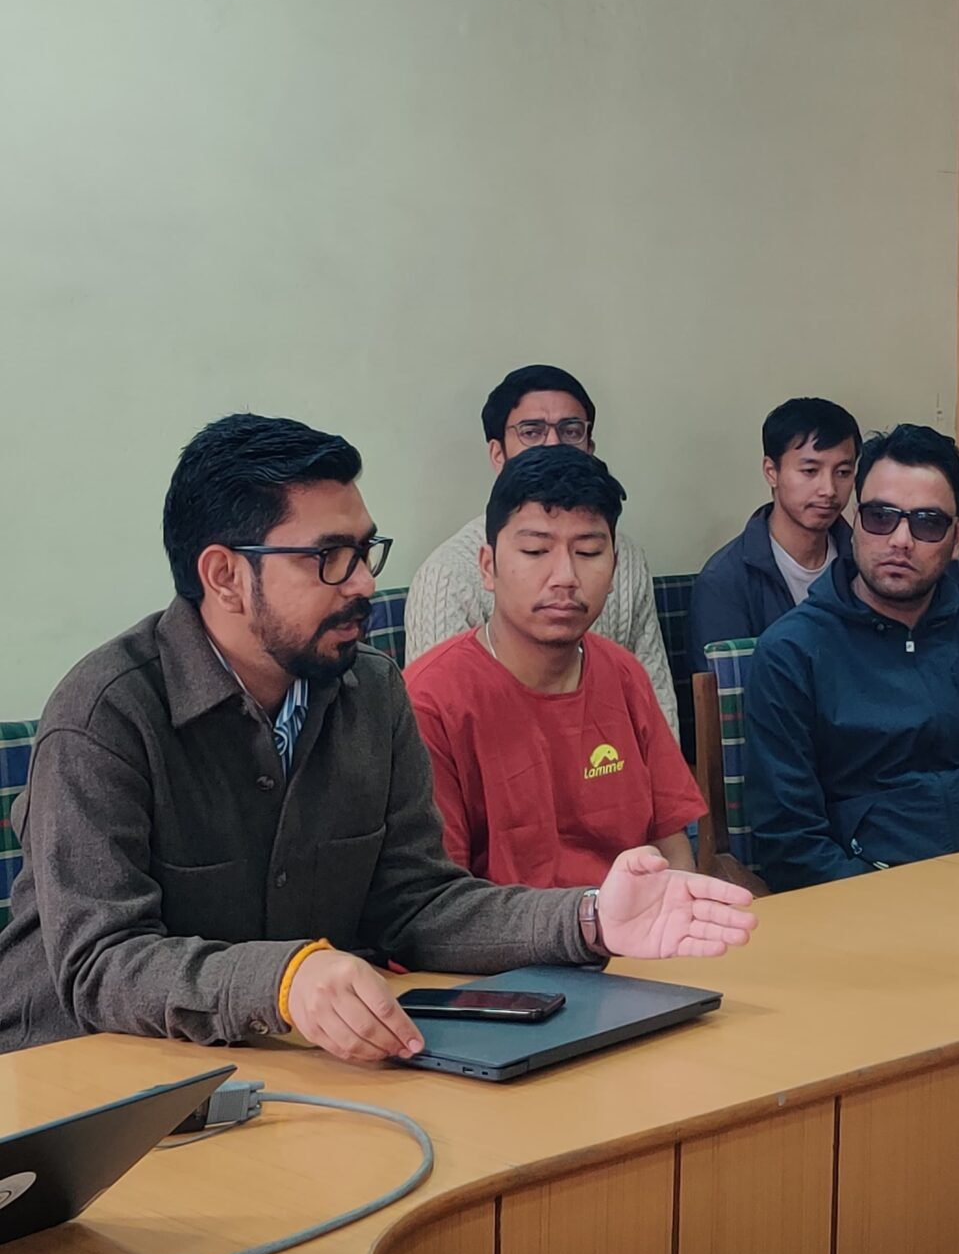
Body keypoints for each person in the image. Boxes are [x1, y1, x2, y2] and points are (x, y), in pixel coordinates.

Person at [0, 415, 755, 1064]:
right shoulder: (107, 714)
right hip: (84, 1079)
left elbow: (417, 904)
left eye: (366, 552)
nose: (363, 583)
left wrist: (588, 919)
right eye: (329, 558)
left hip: (275, 1072)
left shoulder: (371, 692)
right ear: (225, 575)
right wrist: (284, 980)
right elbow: (102, 962)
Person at [744, 424, 959, 891]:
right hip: (868, 901)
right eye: (881, 517)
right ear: (856, 521)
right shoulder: (791, 653)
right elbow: (790, 841)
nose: (900, 540)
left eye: (927, 523)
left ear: (956, 536)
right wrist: (887, 906)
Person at [407, 447, 704, 888]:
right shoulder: (430, 700)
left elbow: (671, 843)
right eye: (535, 550)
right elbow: (439, 898)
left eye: (588, 551)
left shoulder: (624, 674)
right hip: (502, 932)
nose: (565, 576)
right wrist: (586, 921)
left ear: (614, 567)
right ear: (488, 567)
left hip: (640, 926)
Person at [406, 364, 676, 735]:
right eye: (531, 431)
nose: (553, 445)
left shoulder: (625, 557)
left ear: (590, 448)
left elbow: (657, 709)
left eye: (571, 431)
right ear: (497, 453)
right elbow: (442, 719)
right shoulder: (447, 574)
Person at [688, 396, 861, 670]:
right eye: (810, 470)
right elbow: (730, 689)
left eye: (842, 472)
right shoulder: (725, 581)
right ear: (771, 472)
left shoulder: (864, 562)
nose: (828, 489)